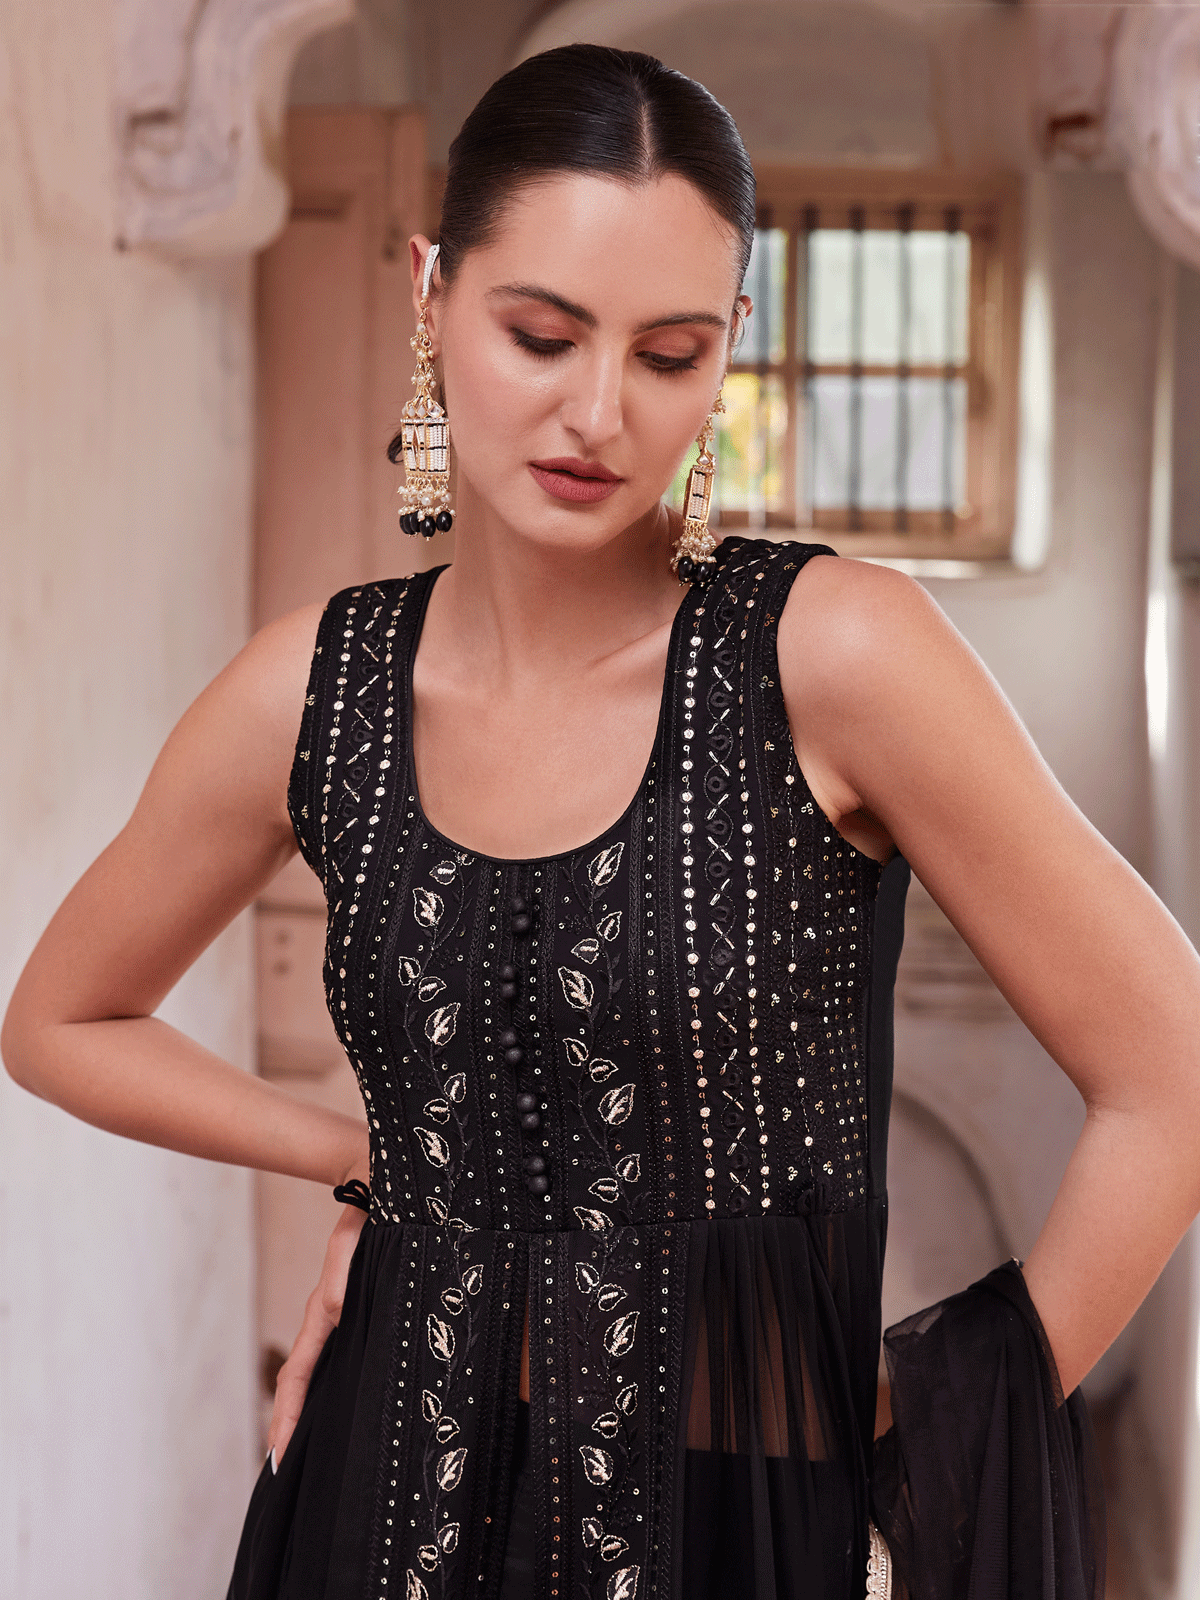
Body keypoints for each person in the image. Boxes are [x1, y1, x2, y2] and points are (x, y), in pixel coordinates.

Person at [5, 39, 1199, 1600]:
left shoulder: (835, 658)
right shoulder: (314, 690)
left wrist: (911, 1441)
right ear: (432, 295)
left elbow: (1170, 1070)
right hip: (379, 1499)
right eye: (542, 334)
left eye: (668, 353)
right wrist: (366, 1158)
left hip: (730, 1530)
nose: (598, 413)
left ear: (731, 347)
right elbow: (61, 1018)